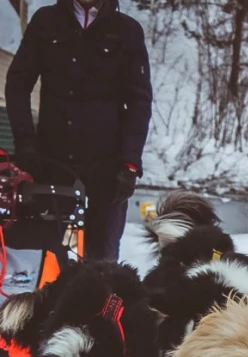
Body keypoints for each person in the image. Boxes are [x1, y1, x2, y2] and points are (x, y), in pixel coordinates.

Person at [5, 0, 152, 261]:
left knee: (102, 262)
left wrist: (129, 164)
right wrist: (25, 141)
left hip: (108, 169)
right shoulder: (46, 21)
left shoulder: (127, 31)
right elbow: (17, 83)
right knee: (52, 259)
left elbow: (140, 102)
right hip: (52, 164)